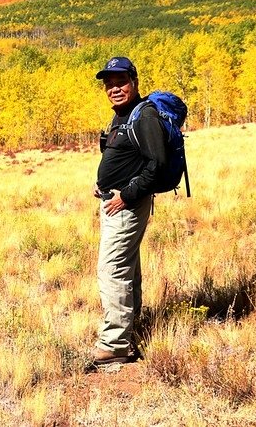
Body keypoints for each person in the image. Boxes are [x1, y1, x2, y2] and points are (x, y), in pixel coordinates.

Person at [91, 56, 167, 369]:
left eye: (120, 81)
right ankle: (129, 332)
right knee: (127, 270)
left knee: (112, 272)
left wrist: (127, 195)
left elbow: (157, 163)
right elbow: (127, 159)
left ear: (134, 82)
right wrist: (104, 183)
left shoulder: (144, 114)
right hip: (114, 203)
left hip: (126, 207)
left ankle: (114, 346)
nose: (114, 88)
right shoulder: (122, 116)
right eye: (109, 83)